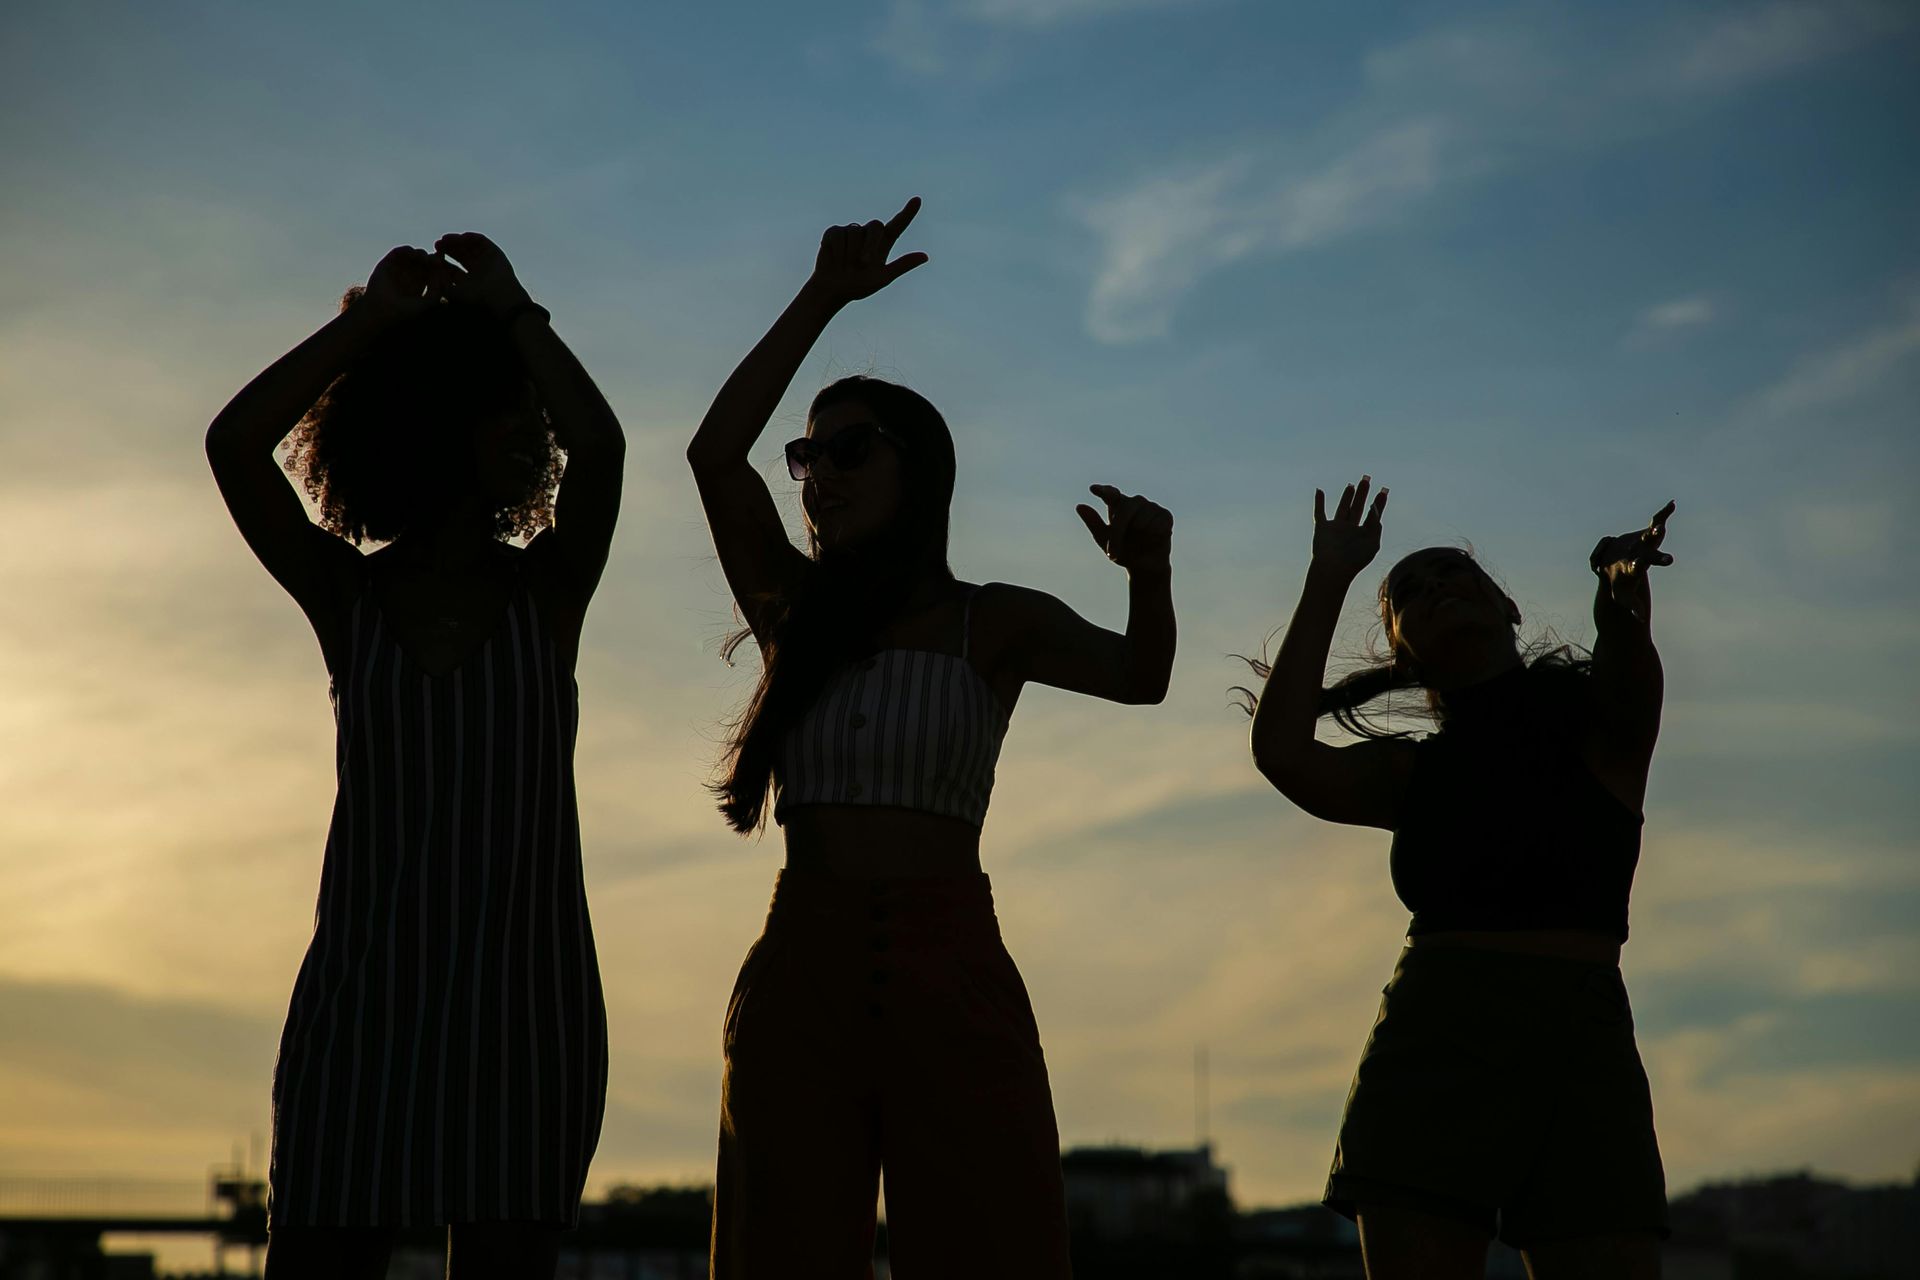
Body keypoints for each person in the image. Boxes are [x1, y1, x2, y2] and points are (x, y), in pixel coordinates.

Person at [688, 197, 1176, 1277]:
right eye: (810, 454)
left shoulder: (993, 620)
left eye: (853, 447)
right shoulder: (792, 610)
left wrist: (1150, 574)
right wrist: (821, 295)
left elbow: (1142, 678)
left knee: (988, 1242)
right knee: (782, 1247)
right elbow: (718, 455)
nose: (823, 474)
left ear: (922, 468)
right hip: (800, 961)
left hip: (951, 964)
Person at [206, 234, 624, 1280]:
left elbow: (603, 447)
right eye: (506, 406)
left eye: (530, 409)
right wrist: (366, 326)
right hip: (361, 1003)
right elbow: (233, 443)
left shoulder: (549, 590)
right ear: (437, 422)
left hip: (523, 1007)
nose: (534, 430)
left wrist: (518, 306)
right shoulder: (348, 595)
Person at [1242, 476, 1675, 1279]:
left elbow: (1627, 654)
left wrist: (1620, 587)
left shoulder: (1601, 731)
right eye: (1410, 590)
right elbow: (1284, 754)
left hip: (1583, 1042)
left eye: (1456, 573)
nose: (1437, 585)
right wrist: (1329, 575)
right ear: (1402, 647)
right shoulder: (1411, 774)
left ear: (1507, 607)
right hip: (1435, 1041)